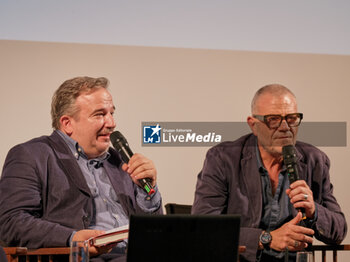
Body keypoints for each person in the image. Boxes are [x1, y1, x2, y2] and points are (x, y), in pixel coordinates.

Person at [0, 76, 162, 261]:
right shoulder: (32, 155)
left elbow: (155, 230)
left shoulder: (120, 161)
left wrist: (148, 191)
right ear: (67, 123)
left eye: (111, 113)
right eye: (100, 114)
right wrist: (72, 238)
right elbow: (11, 222)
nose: (111, 123)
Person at [192, 84, 347, 262]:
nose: (284, 127)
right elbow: (204, 229)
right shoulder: (223, 158)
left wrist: (314, 212)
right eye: (273, 119)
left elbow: (339, 230)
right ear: (253, 125)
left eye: (291, 118)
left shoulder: (314, 160)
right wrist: (267, 239)